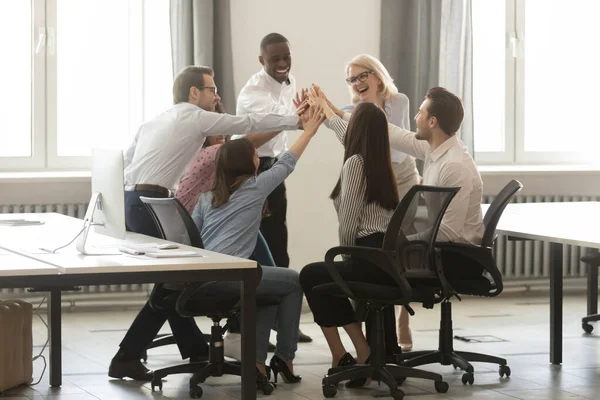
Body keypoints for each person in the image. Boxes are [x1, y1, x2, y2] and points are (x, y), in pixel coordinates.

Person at [110, 65, 302, 381]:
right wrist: (296, 121)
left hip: (135, 201)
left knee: (174, 283)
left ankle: (189, 351)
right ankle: (132, 356)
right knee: (175, 283)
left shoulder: (156, 119)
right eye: (211, 90)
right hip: (152, 204)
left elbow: (127, 163)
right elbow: (246, 124)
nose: (216, 96)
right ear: (194, 92)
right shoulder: (194, 116)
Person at [191, 105, 325, 387]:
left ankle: (257, 365)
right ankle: (285, 357)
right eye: (255, 155)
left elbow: (193, 240)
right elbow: (287, 161)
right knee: (294, 281)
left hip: (202, 280)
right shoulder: (254, 187)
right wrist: (309, 132)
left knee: (267, 293)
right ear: (249, 163)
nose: (258, 159)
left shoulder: (206, 198)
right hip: (229, 277)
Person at [299, 102, 400, 388]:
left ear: (358, 130)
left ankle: (346, 352)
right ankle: (360, 352)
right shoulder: (382, 164)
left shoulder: (355, 163)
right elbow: (346, 129)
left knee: (310, 275)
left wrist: (343, 258)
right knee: (323, 279)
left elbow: (349, 221)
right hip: (385, 261)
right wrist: (328, 113)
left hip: (364, 255)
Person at [234, 32, 312, 343]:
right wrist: (303, 118)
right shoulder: (254, 91)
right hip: (249, 171)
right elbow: (270, 118)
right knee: (250, 250)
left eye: (286, 57)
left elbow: (289, 114)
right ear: (261, 60)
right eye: (275, 59)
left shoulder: (290, 81)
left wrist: (304, 111)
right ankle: (248, 326)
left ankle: (284, 321)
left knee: (278, 244)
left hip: (274, 169)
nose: (282, 64)